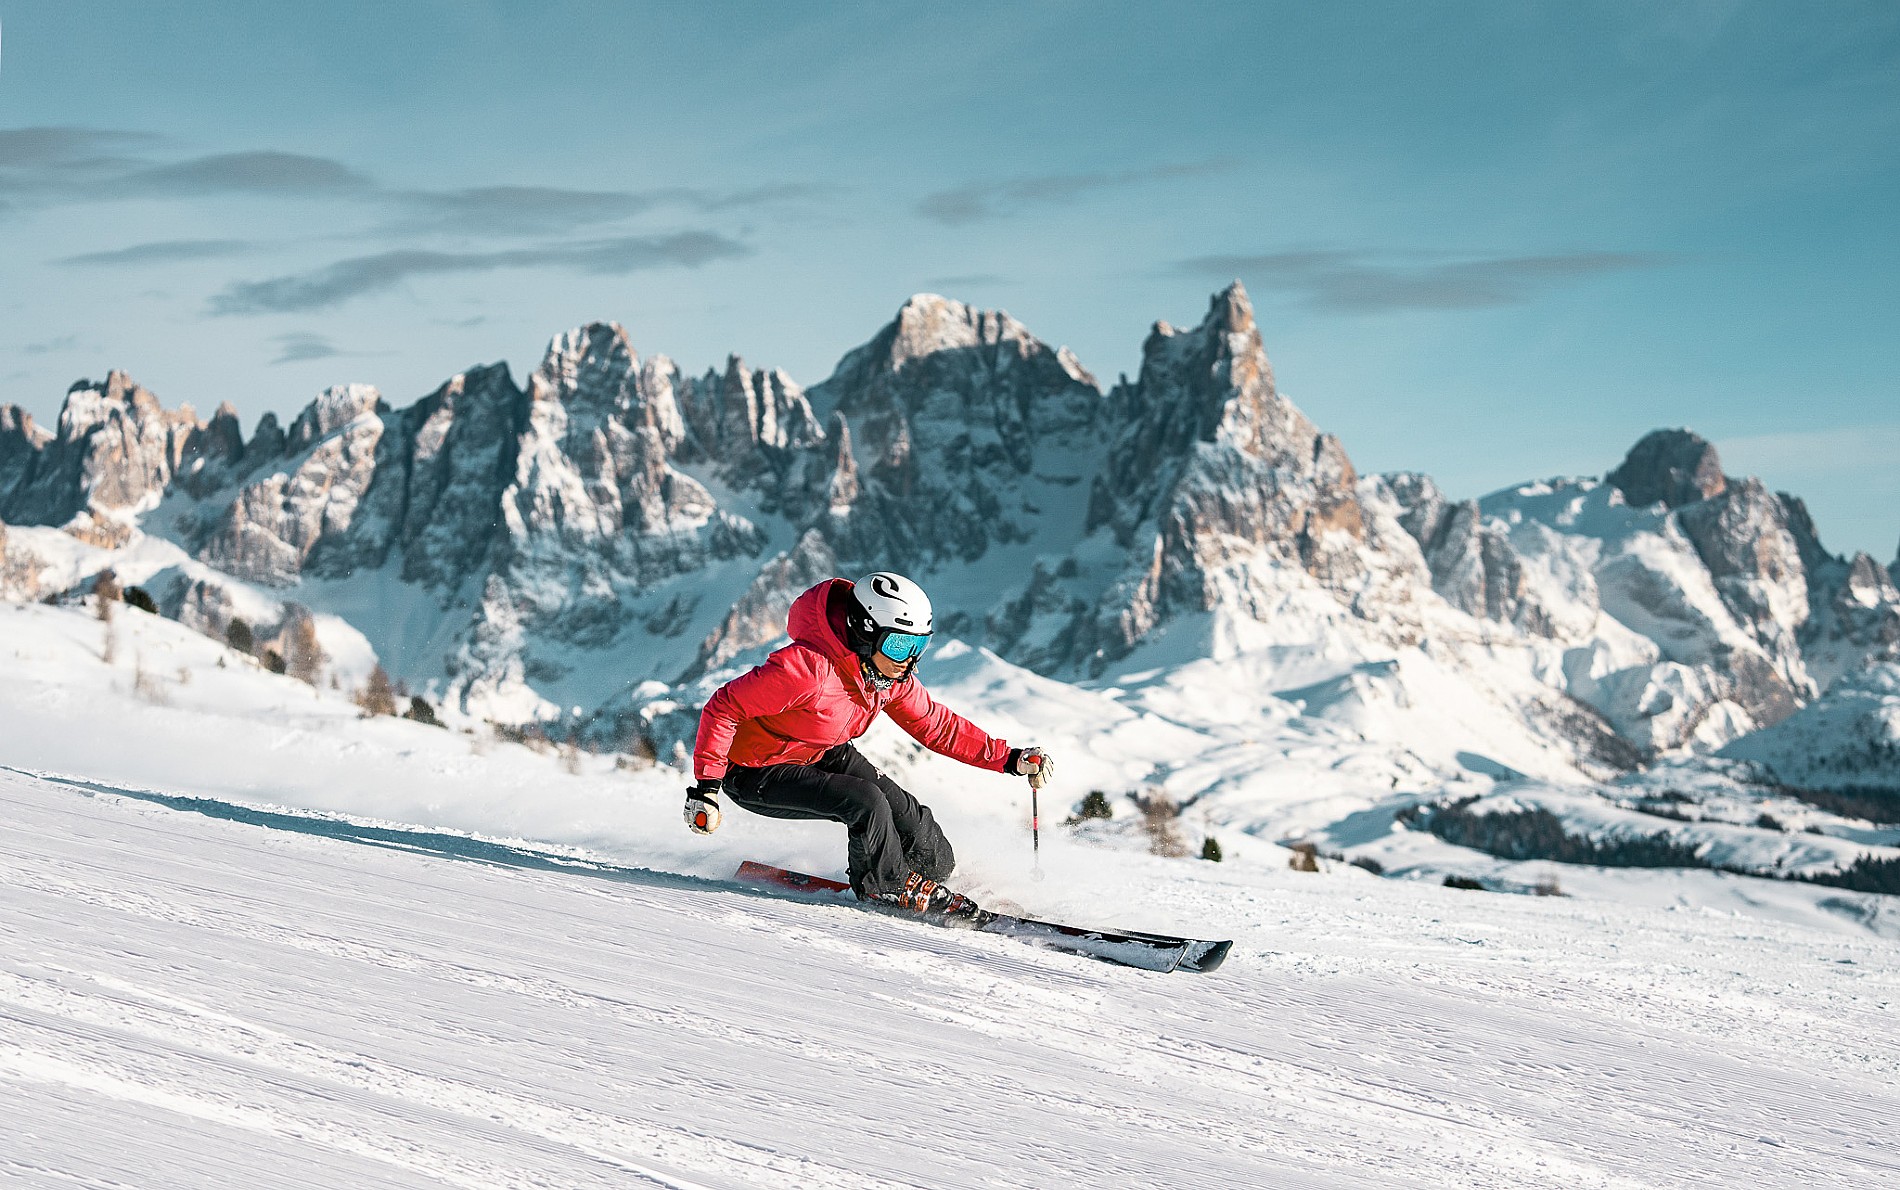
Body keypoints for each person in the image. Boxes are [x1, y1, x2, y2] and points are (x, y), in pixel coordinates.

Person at [685, 572, 1052, 917]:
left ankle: (913, 873)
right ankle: (885, 885)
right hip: (754, 770)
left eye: (918, 646)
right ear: (866, 632)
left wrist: (1009, 758)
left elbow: (936, 725)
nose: (909, 660)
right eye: (899, 645)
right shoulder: (806, 669)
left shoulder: (886, 675)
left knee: (922, 836)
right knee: (866, 803)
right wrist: (707, 788)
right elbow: (724, 707)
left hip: (821, 751)